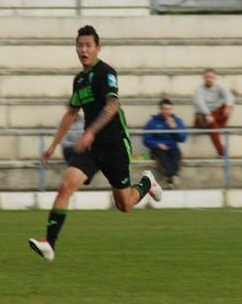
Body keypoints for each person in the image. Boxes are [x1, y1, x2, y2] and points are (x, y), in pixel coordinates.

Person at [28, 25, 163, 262]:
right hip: (91, 147)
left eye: (88, 45)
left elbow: (112, 106)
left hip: (115, 145)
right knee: (66, 185)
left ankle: (146, 182)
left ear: (97, 48)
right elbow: (71, 113)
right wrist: (52, 145)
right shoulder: (79, 80)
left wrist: (90, 131)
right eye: (80, 45)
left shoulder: (106, 73)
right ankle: (49, 243)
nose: (83, 49)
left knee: (124, 205)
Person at [143, 99, 187, 188]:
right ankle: (173, 177)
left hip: (173, 147)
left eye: (169, 109)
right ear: (160, 109)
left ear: (172, 109)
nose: (167, 111)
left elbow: (182, 138)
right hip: (157, 148)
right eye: (165, 109)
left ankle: (170, 179)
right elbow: (146, 140)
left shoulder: (177, 121)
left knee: (176, 157)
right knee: (163, 157)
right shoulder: (152, 122)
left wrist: (174, 128)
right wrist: (157, 144)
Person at [193, 68, 234, 156]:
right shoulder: (199, 89)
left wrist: (227, 106)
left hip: (214, 115)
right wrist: (207, 114)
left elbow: (229, 96)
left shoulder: (219, 87)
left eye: (211, 77)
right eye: (207, 77)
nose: (209, 79)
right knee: (212, 124)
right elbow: (200, 103)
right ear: (203, 78)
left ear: (215, 78)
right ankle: (221, 151)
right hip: (202, 117)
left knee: (229, 106)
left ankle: (216, 125)